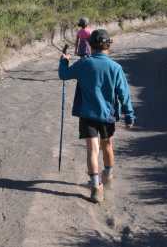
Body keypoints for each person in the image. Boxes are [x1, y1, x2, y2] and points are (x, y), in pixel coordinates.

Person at [58, 29, 135, 203]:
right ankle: (107, 177)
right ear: (108, 46)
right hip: (107, 116)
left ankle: (95, 189)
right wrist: (129, 115)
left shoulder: (84, 64)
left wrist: (64, 61)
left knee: (92, 150)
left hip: (87, 115)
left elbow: (63, 75)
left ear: (90, 46)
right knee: (107, 146)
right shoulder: (116, 67)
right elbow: (124, 94)